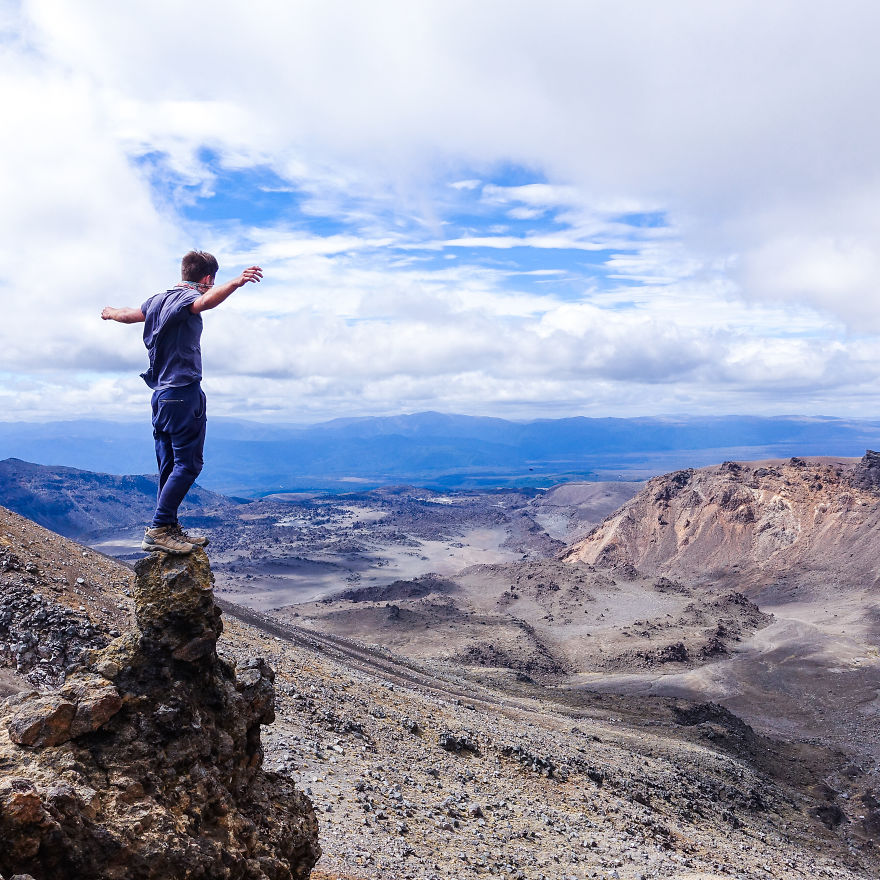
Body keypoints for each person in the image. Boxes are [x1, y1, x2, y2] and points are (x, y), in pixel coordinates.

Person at [102, 251, 262, 554]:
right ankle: (160, 527)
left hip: (160, 396)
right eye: (211, 282)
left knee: (168, 465)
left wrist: (110, 312)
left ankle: (168, 525)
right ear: (207, 279)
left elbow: (128, 314)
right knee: (188, 464)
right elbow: (205, 302)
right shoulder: (188, 299)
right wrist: (237, 283)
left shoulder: (157, 301)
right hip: (182, 393)